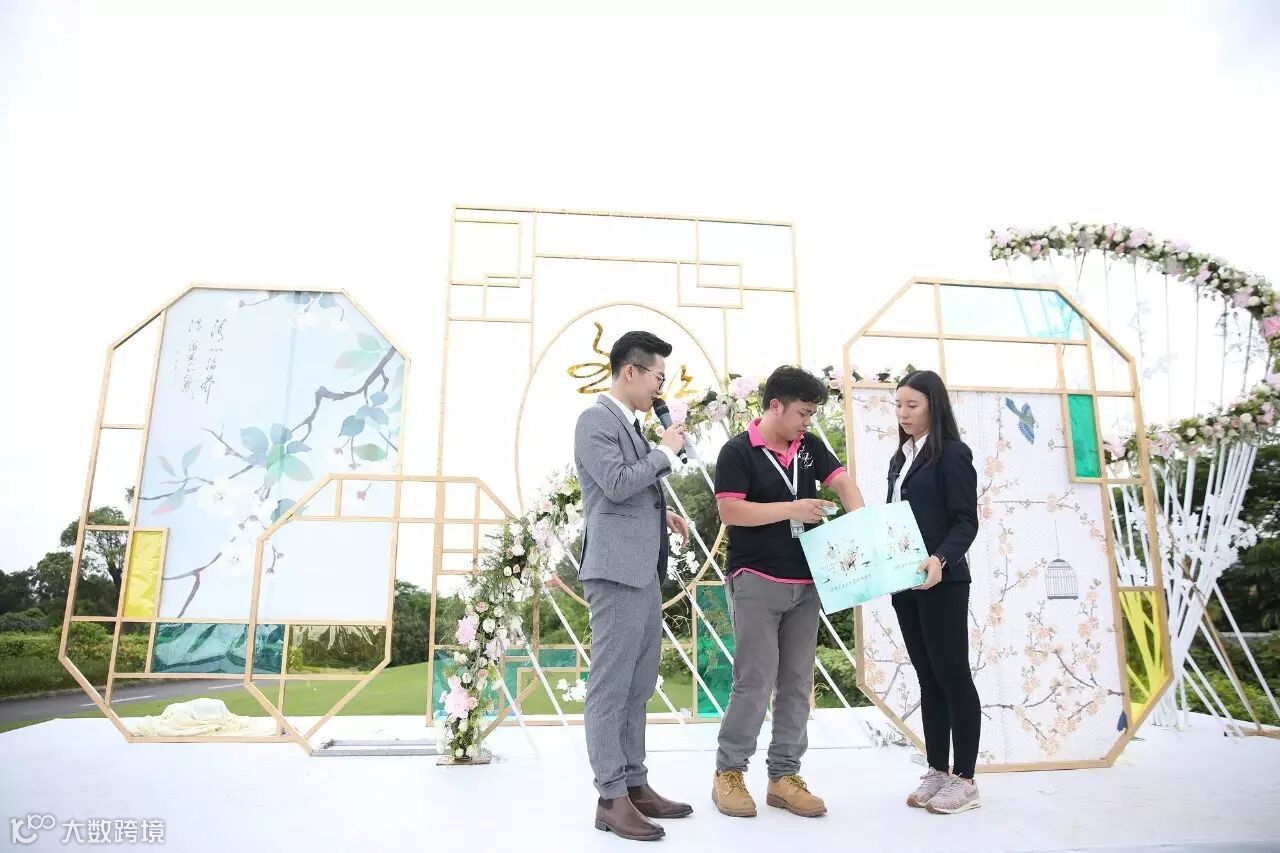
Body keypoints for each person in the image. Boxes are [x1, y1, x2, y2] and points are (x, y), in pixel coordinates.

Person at [711, 366, 865, 819]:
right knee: (755, 680)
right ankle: (728, 772)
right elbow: (731, 511)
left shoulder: (810, 447)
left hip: (808, 582)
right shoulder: (737, 451)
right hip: (756, 579)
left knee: (797, 682)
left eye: (812, 414)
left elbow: (843, 482)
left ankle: (783, 777)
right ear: (775, 406)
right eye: (802, 412)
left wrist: (863, 524)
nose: (807, 422)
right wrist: (791, 509)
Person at [574, 330, 694, 842]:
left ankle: (634, 783)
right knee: (611, 685)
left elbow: (628, 493)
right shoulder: (595, 420)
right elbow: (617, 483)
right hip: (615, 571)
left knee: (639, 683)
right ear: (631, 372)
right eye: (658, 378)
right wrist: (664, 451)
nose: (659, 390)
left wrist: (661, 514)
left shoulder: (629, 424)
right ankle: (610, 797)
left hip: (642, 569)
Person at [887, 369, 982, 815]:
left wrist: (941, 559)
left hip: (942, 581)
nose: (903, 413)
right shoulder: (900, 458)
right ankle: (937, 770)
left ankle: (965, 779)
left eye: (913, 405)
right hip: (904, 582)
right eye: (899, 405)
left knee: (953, 675)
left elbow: (966, 521)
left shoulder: (953, 454)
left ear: (934, 406)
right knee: (928, 676)